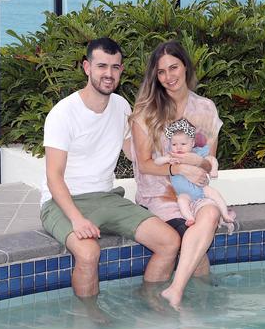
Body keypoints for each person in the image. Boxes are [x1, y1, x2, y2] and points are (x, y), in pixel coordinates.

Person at [40, 37, 180, 301]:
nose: (108, 74)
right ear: (87, 67)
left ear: (121, 71)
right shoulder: (63, 113)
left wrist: (169, 159)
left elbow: (134, 153)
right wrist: (77, 219)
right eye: (102, 66)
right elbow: (53, 177)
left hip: (106, 197)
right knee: (89, 253)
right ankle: (88, 321)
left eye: (115, 67)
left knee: (169, 242)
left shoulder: (121, 106)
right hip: (61, 202)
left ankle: (148, 305)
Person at [130, 40, 224, 309]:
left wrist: (199, 163)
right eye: (161, 72)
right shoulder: (147, 112)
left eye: (174, 68)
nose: (169, 77)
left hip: (193, 192)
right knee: (195, 244)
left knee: (210, 214)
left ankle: (177, 293)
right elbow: (146, 165)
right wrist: (179, 167)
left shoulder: (205, 108)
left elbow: (208, 164)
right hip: (159, 194)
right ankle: (190, 302)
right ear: (155, 76)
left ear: (185, 66)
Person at [154, 118, 235, 230]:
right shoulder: (172, 156)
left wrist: (213, 169)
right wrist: (166, 160)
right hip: (183, 193)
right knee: (181, 201)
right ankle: (190, 218)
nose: (178, 147)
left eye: (183, 144)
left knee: (214, 193)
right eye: (174, 144)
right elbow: (157, 162)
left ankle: (225, 213)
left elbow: (211, 159)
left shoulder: (197, 153)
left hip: (200, 189)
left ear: (192, 143)